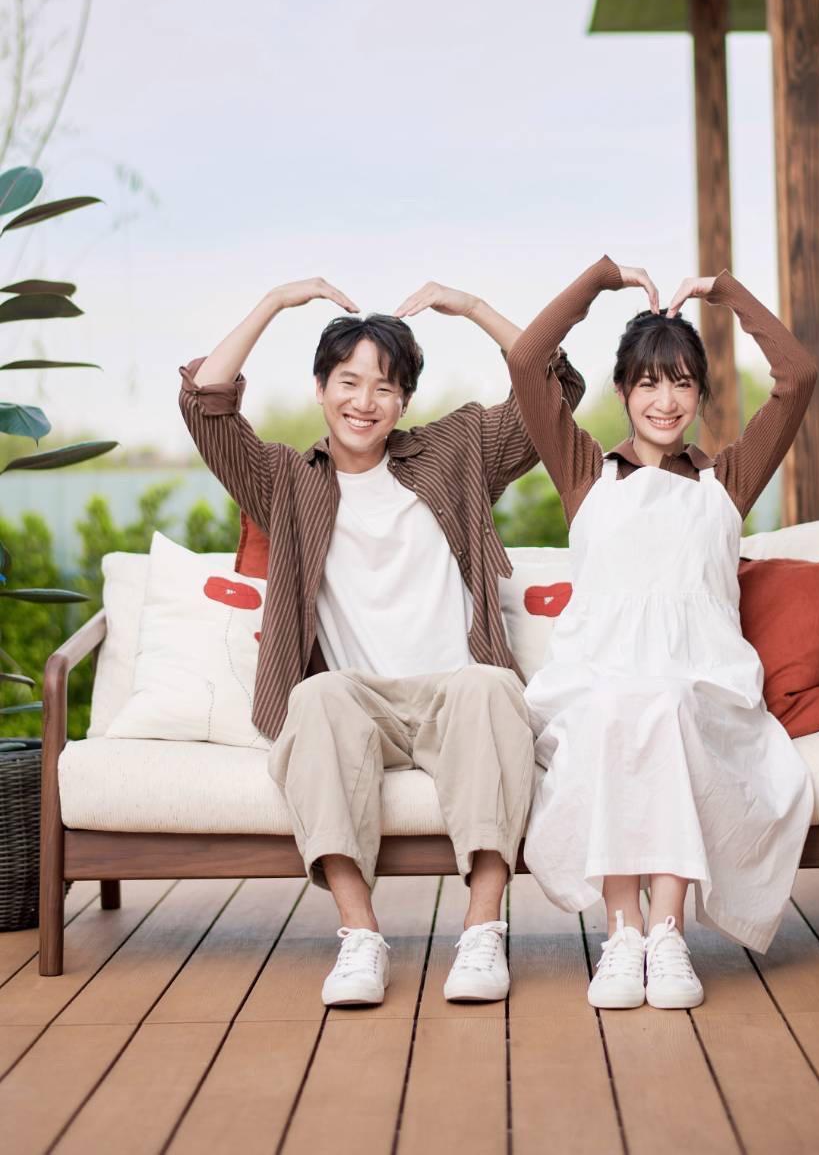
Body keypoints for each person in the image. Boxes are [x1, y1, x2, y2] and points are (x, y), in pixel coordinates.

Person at [179, 276, 583, 1008]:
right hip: (360, 703)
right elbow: (205, 402)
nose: (364, 401)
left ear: (404, 401)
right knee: (315, 697)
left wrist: (474, 307)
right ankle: (360, 937)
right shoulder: (283, 480)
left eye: (385, 387)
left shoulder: (455, 450)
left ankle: (483, 929)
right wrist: (274, 302)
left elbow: (551, 389)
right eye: (348, 381)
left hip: (454, 693)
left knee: (495, 686)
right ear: (320, 388)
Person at [505, 257, 817, 1011]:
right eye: (648, 383)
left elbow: (798, 376)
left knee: (667, 702)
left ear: (700, 394)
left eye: (681, 383)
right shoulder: (584, 473)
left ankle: (667, 932)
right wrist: (600, 280)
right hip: (597, 682)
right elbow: (525, 360)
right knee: (621, 705)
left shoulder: (725, 482)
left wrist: (725, 292)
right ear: (622, 391)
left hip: (701, 687)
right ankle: (622, 932)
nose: (665, 400)